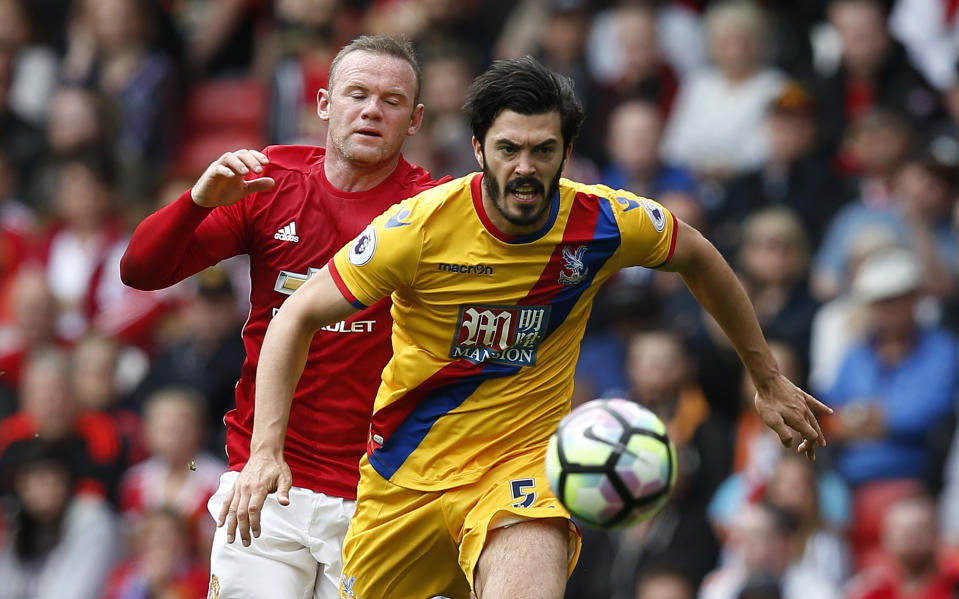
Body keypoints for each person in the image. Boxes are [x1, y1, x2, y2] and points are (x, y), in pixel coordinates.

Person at [234, 56, 831, 598]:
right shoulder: (415, 229)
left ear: (567, 152)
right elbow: (296, 316)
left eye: (543, 150)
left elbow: (699, 256)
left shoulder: (604, 221)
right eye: (508, 149)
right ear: (478, 149)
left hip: (520, 470)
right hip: (405, 479)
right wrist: (265, 453)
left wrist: (767, 376)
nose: (525, 168)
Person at [119, 35, 446, 599]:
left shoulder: (434, 210)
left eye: (392, 101)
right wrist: (197, 201)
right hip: (266, 486)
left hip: (380, 495)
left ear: (414, 120)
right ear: (324, 104)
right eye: (357, 94)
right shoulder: (270, 183)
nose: (372, 110)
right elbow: (140, 271)